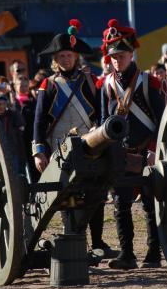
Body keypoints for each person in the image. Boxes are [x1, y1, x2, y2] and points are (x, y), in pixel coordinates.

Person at [32, 19, 112, 254]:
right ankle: (74, 240)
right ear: (55, 60)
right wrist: (39, 151)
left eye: (69, 55)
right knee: (67, 195)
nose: (66, 59)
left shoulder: (89, 80)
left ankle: (97, 243)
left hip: (89, 143)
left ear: (76, 57)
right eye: (62, 56)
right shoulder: (48, 85)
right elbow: (38, 121)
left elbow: (100, 112)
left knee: (95, 192)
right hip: (59, 146)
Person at [101, 18, 165, 270]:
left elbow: (163, 120)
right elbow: (104, 121)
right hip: (120, 154)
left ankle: (153, 254)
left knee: (150, 205)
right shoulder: (106, 85)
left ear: (131, 54)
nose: (118, 60)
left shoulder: (148, 83)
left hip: (147, 151)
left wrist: (154, 150)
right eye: (114, 56)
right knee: (121, 205)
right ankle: (127, 254)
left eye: (122, 55)